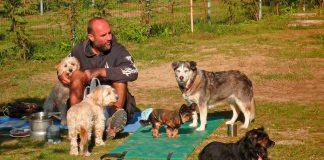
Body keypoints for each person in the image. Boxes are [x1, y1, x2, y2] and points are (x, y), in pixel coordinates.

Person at [59, 17, 138, 139]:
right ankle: (78, 123)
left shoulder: (118, 50)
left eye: (109, 33)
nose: (109, 38)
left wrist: (101, 71)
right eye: (103, 35)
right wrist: (61, 74)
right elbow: (64, 64)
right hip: (87, 103)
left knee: (120, 79)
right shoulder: (79, 50)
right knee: (76, 75)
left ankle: (113, 122)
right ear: (91, 37)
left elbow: (133, 71)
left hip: (112, 102)